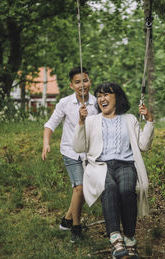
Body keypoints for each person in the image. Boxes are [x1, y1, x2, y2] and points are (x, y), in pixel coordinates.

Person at [73, 82, 154, 259]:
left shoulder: (130, 119)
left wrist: (149, 120)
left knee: (126, 191)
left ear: (117, 97)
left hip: (126, 164)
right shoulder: (92, 120)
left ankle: (130, 239)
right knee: (109, 188)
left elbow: (144, 145)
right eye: (99, 95)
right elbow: (79, 147)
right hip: (100, 166)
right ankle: (116, 239)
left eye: (106, 95)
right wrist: (81, 122)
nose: (102, 98)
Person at [42, 66, 98, 243]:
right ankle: (76, 227)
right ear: (71, 85)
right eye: (77, 82)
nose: (83, 84)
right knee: (79, 188)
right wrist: (46, 143)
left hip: (90, 153)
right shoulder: (65, 103)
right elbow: (50, 124)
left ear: (90, 81)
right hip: (71, 151)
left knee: (83, 191)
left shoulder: (97, 103)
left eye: (85, 80)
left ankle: (66, 219)